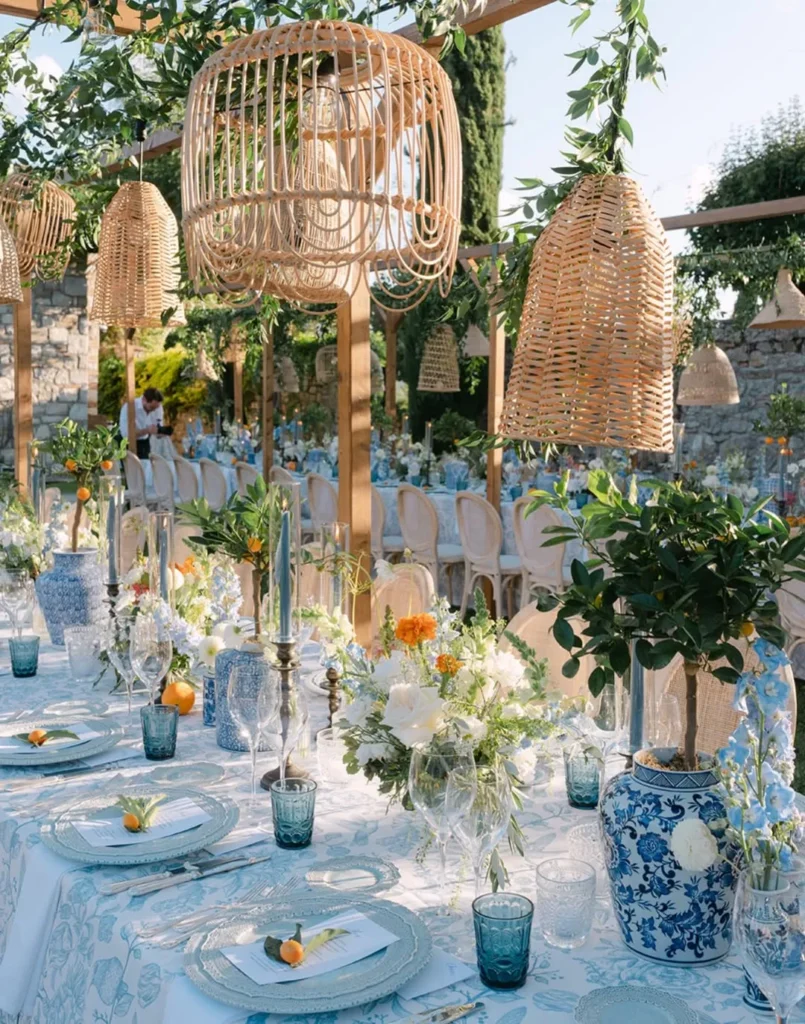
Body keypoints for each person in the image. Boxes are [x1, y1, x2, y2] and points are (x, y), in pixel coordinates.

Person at [119, 387, 164, 460]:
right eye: (151, 408)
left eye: (155, 408)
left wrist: (161, 431)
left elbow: (159, 426)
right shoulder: (129, 407)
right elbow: (126, 435)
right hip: (128, 444)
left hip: (145, 443)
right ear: (144, 400)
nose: (153, 411)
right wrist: (147, 430)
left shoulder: (158, 408)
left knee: (146, 468)